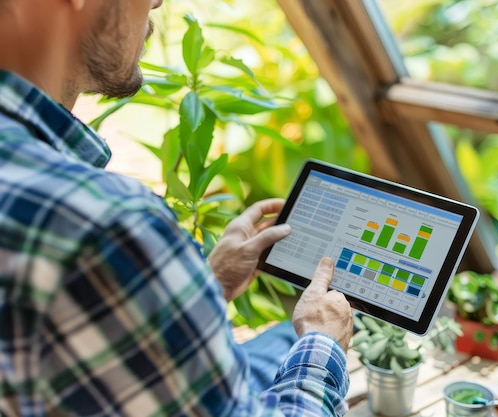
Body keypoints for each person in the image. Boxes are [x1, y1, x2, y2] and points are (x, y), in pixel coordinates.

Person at [0, 0, 354, 416]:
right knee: (293, 342)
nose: (157, 2)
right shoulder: (105, 224)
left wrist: (204, 285)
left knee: (277, 341)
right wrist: (322, 342)